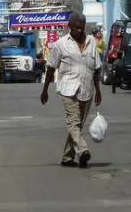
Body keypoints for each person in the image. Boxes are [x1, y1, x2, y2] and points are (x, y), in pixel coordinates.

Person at [40, 12, 102, 169]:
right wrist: (45, 89)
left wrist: (98, 91)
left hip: (87, 89)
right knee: (73, 121)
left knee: (78, 124)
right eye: (77, 28)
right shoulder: (61, 44)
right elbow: (50, 68)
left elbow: (96, 69)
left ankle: (67, 158)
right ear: (70, 27)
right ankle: (83, 150)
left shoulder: (92, 43)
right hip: (68, 89)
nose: (80, 31)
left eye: (82, 28)